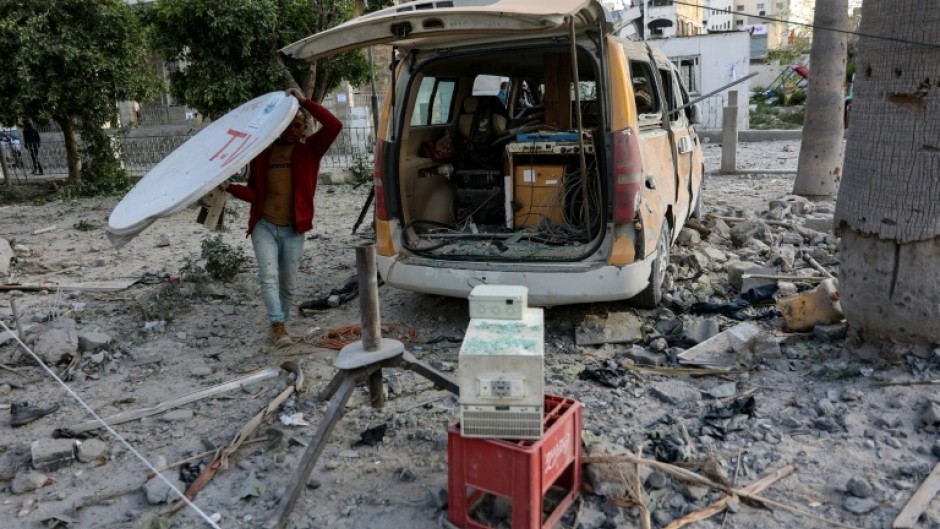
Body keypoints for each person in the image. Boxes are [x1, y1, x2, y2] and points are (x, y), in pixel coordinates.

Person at [223, 88, 342, 347]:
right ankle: (277, 325)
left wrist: (304, 102)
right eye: (289, 124)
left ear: (304, 129)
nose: (293, 130)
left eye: (298, 125)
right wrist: (229, 186)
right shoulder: (262, 153)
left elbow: (335, 124)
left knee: (288, 285)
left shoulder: (310, 150)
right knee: (268, 276)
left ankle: (282, 323)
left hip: (293, 229)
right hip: (264, 225)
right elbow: (256, 194)